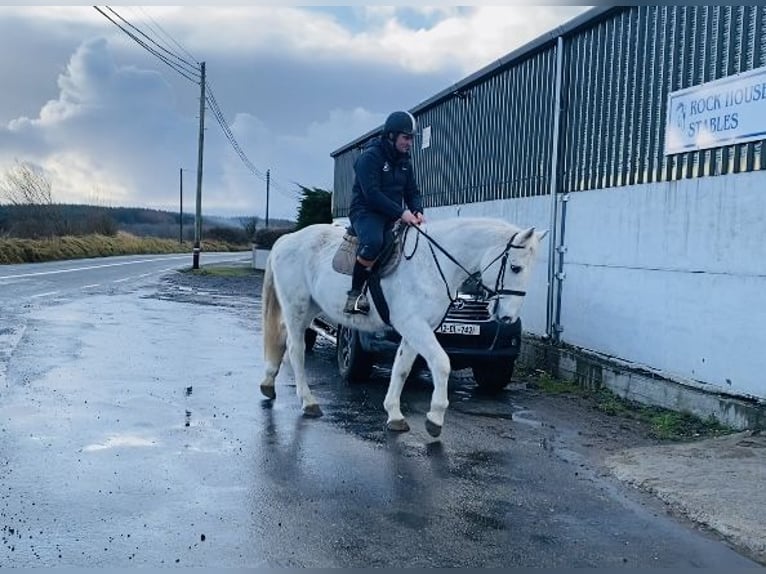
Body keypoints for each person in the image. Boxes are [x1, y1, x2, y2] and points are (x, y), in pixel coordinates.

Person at [344, 110, 426, 315]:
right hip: (365, 212)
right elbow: (372, 194)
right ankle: (354, 296)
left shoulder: (404, 161)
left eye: (411, 139)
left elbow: (412, 192)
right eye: (406, 138)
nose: (410, 143)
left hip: (390, 214)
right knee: (373, 242)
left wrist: (417, 210)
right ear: (391, 136)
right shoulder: (370, 158)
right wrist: (401, 213)